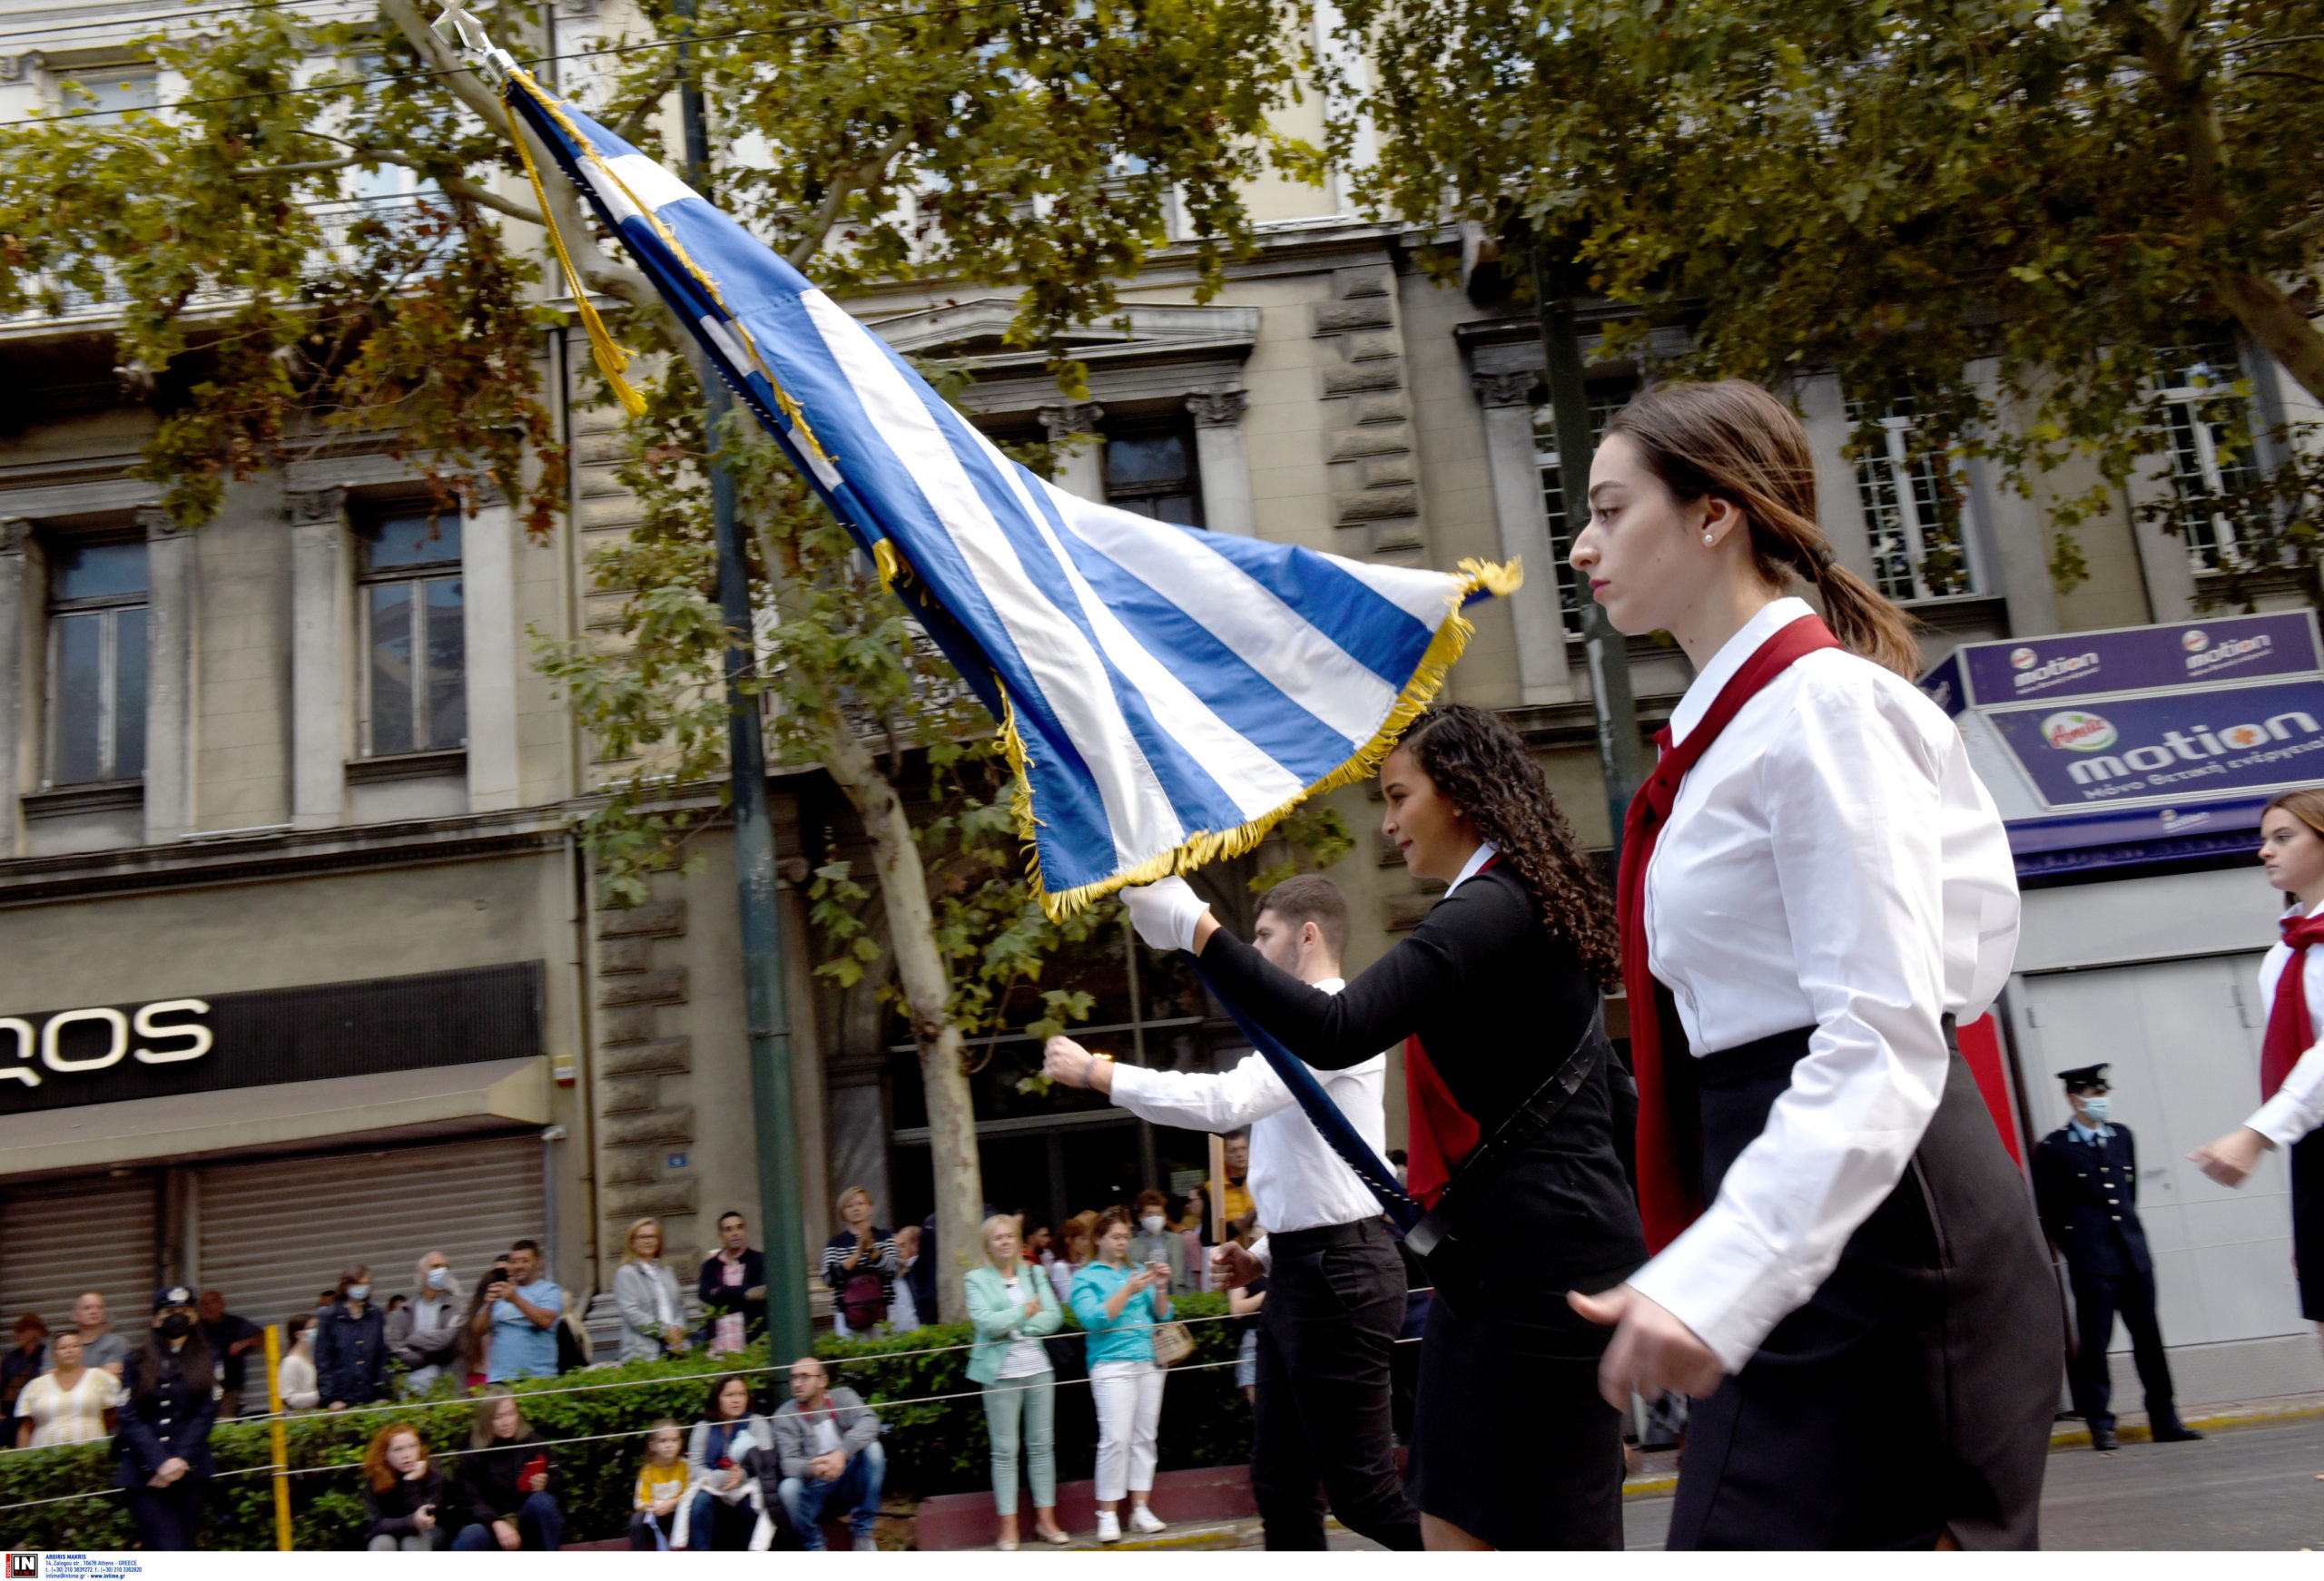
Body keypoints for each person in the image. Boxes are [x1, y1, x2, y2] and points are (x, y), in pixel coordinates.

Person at [1562, 379, 2056, 1549]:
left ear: (1713, 513)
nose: (1581, 544)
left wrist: (1721, 1265)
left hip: (1886, 1245)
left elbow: (1888, 1028)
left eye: (1610, 508)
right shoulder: (1738, 732)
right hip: (1804, 1216)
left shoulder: (1825, 709)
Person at [1118, 706, 1646, 1550]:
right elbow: (1619, 1104)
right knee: (1452, 1523)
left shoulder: (1491, 905)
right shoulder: (1506, 902)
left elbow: (1339, 1028)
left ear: (1460, 793)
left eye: (1400, 797)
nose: (1390, 821)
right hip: (1502, 1266)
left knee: (1540, 1534)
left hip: (1548, 1268)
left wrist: (1197, 929)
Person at [1049, 871, 1423, 1552]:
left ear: (1307, 936)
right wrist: (1263, 1254)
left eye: (1264, 934)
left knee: (1363, 1497)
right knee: (1280, 1484)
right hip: (1311, 1271)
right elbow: (1322, 1179)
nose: (1251, 949)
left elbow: (1226, 1104)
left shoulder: (1332, 1019)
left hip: (1339, 1276)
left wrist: (1099, 1073)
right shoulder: (1301, 1023)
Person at [2192, 788, 2324, 1361]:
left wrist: (2256, 1134)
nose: (2265, 851)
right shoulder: (2282, 956)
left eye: (2283, 837)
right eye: (2264, 839)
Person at [2034, 1065, 2201, 1451]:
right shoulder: (2055, 1148)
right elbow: (2049, 1209)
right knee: (2095, 1343)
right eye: (2094, 1094)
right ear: (2074, 1098)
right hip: (2092, 1259)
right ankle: (2100, 1423)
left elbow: (2129, 1194)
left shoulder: (2121, 1137)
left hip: (2133, 1255)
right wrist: (2077, 1248)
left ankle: (2165, 1418)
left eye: (2103, 1093)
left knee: (2149, 1340)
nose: (2101, 1101)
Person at [966, 1213, 1070, 1550]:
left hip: (1038, 1369)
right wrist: (1025, 1312)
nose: (1005, 1242)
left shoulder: (1035, 1273)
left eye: (1010, 1236)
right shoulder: (975, 1280)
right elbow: (987, 1323)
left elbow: (1054, 1316)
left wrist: (1018, 1327)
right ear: (988, 1245)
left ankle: (1046, 1522)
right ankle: (1008, 1528)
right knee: (1004, 1452)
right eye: (998, 1237)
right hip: (1000, 1374)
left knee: (1042, 1447)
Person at [1069, 1206, 1173, 1545]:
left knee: (1145, 1437)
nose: (1121, 1243)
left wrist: (1160, 1287)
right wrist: (1127, 1291)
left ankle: (1140, 1509)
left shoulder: (1137, 1271)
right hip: (1111, 1364)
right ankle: (1108, 1514)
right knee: (1115, 1439)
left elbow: (1162, 1315)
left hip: (1148, 1361)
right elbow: (1093, 1319)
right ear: (1098, 1239)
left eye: (1125, 1237)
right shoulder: (1085, 1277)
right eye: (1115, 1237)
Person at [113, 1288, 216, 1551]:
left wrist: (180, 1461)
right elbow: (128, 1414)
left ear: (194, 1316)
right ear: (155, 1319)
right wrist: (160, 1462)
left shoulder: (209, 1358)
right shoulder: (136, 1360)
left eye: (184, 1311)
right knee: (166, 1548)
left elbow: (206, 1414)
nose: (177, 1317)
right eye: (169, 1311)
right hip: (144, 1473)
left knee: (183, 1548)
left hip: (190, 1471)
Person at [770, 1355, 885, 1552]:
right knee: (788, 1488)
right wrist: (812, 1468)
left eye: (804, 1377)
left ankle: (863, 1533)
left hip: (846, 1481)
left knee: (873, 1449)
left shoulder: (844, 1397)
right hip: (815, 1490)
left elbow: (870, 1422)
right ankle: (814, 1546)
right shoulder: (784, 1416)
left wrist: (842, 1454)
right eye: (793, 1378)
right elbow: (788, 1463)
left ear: (823, 1381)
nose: (797, 1384)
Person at [449, 1390, 563, 1551]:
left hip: (527, 1523)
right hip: (492, 1527)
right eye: (498, 1417)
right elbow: (469, 1501)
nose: (506, 1422)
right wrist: (496, 1522)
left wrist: (545, 1484)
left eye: (511, 1414)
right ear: (486, 1421)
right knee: (471, 1535)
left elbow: (558, 1479)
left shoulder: (533, 1442)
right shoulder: (472, 1455)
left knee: (542, 1503)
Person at [682, 1372, 767, 1551]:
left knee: (751, 1504)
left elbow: (766, 1463)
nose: (736, 1400)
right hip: (711, 1487)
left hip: (746, 1486)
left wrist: (741, 1475)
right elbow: (695, 1469)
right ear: (717, 1399)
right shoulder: (703, 1428)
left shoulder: (757, 1424)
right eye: (729, 1395)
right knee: (701, 1502)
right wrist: (724, 1477)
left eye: (741, 1394)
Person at [473, 1241, 564, 1384]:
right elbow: (478, 1329)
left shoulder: (549, 1290)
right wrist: (489, 1305)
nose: (518, 1266)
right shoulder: (500, 1289)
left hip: (538, 1378)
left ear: (538, 1262)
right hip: (500, 1378)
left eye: (525, 1261)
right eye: (514, 1262)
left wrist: (515, 1299)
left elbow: (545, 1321)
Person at [14, 1327, 121, 1448]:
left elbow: (114, 1414)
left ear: (82, 1351)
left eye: (75, 1346)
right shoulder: (35, 1386)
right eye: (63, 1348)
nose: (70, 1351)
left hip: (91, 1452)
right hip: (46, 1454)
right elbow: (26, 1427)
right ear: (53, 1355)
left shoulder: (101, 1377)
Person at [820, 1188, 898, 1337]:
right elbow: (828, 1279)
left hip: (884, 1311)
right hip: (848, 1313)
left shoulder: (884, 1237)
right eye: (849, 1206)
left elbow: (893, 1270)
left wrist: (872, 1251)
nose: (856, 1209)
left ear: (870, 1208)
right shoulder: (835, 1243)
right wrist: (857, 1254)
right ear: (843, 1212)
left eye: (860, 1204)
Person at [613, 1217, 692, 1364]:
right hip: (643, 1352)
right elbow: (631, 1312)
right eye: (642, 1237)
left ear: (659, 1241)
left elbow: (679, 1306)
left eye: (652, 1237)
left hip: (675, 1348)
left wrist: (677, 1330)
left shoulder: (667, 1271)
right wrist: (664, 1331)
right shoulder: (626, 1273)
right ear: (632, 1242)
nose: (648, 1241)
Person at [361, 1421, 448, 1552]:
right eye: (398, 1449)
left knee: (413, 1540)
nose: (407, 1455)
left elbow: (427, 1517)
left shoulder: (432, 1472)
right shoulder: (375, 1477)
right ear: (385, 1454)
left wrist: (411, 1481)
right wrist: (411, 1521)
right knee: (382, 1543)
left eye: (413, 1446)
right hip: (388, 1532)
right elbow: (376, 1524)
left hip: (429, 1532)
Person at [317, 1263, 390, 1410]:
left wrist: (383, 1393)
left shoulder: (376, 1315)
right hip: (342, 1398)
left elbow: (383, 1356)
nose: (362, 1288)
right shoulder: (330, 1316)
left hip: (372, 1397)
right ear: (346, 1286)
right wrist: (331, 1398)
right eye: (358, 1284)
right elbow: (323, 1360)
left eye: (366, 1284)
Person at [698, 1211, 768, 1355]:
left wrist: (722, 1291)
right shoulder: (711, 1266)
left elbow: (761, 1292)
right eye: (728, 1230)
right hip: (718, 1346)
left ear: (744, 1231)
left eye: (739, 1227)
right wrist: (745, 1295)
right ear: (720, 1235)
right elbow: (705, 1299)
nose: (735, 1233)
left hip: (752, 1346)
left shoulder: (759, 1260)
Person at [399, 1253, 466, 1394]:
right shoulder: (406, 1309)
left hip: (447, 1392)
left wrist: (413, 1339)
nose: (442, 1271)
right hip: (412, 1392)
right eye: (436, 1266)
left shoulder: (458, 1306)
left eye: (445, 1267)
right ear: (421, 1274)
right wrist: (437, 1352)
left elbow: (449, 1340)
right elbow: (395, 1348)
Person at [195, 1292, 261, 1420]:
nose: (209, 1307)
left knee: (223, 1423)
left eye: (213, 1302)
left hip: (229, 1389)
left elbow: (263, 1338)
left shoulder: (234, 1324)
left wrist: (244, 1343)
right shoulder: (196, 1329)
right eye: (204, 1304)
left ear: (222, 1304)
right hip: (203, 1390)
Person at [630, 1419, 691, 1551]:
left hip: (679, 1515)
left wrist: (672, 1503)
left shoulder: (685, 1466)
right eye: (663, 1441)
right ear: (653, 1446)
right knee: (637, 1520)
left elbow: (690, 1493)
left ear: (680, 1443)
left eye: (674, 1440)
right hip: (657, 1516)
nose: (669, 1445)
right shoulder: (647, 1471)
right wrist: (650, 1507)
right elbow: (639, 1501)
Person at [46, 1291, 128, 1378]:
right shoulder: (57, 1344)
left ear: (104, 1314)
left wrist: (67, 1375)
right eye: (87, 1308)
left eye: (99, 1307)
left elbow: (108, 1378)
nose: (94, 1312)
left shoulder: (115, 1343)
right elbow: (49, 1378)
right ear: (74, 1315)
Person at [1126, 1190, 1188, 1291]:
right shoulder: (1131, 1246)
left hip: (1175, 1296)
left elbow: (1187, 1275)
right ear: (1140, 1217)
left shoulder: (1176, 1240)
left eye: (1158, 1214)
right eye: (1149, 1214)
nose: (1154, 1218)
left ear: (1165, 1216)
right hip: (1146, 1296)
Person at [2, 1314, 47, 1446]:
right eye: (16, 1331)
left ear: (36, 1331)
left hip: (37, 1413)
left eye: (22, 1330)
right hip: (12, 1415)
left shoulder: (46, 1355)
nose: (17, 1335)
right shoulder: (11, 1359)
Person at [277, 1313, 320, 1409]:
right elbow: (290, 1399)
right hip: (304, 1417)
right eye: (312, 1328)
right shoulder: (291, 1362)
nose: (317, 1331)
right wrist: (320, 1394)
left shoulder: (309, 1358)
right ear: (298, 1334)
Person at [1048, 1221, 1092, 1307]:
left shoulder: (1085, 1263)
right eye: (1082, 1239)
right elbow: (1068, 1299)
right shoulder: (1060, 1267)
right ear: (1069, 1240)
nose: (1087, 1243)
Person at [890, 1225, 924, 1330]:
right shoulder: (883, 1281)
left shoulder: (917, 1274)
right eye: (894, 1247)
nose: (899, 1250)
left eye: (903, 1246)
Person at [1219, 1133, 1254, 1226]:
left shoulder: (1259, 1181)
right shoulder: (1214, 1188)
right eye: (1233, 1150)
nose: (1240, 1154)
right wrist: (1232, 1226)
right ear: (1224, 1155)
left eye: (1243, 1148)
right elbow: (1207, 1232)